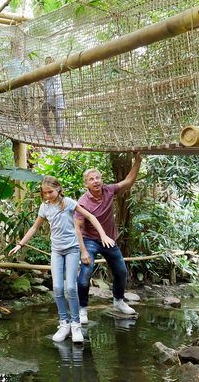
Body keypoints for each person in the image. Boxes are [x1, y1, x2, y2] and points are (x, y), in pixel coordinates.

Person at [11, 176, 114, 343]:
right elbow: (35, 227)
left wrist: (103, 235)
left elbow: (90, 217)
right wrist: (21, 244)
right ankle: (64, 323)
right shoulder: (44, 207)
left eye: (50, 192)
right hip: (56, 251)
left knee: (71, 288)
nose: (48, 195)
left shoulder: (68, 203)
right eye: (45, 193)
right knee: (58, 288)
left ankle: (76, 325)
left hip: (72, 250)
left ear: (58, 188)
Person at [74, 154, 142, 323]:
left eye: (98, 178)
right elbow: (77, 229)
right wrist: (83, 251)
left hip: (109, 240)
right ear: (86, 183)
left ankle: (118, 301)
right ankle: (82, 309)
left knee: (121, 271)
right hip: (89, 240)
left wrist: (138, 162)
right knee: (85, 275)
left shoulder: (109, 190)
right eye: (91, 179)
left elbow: (128, 182)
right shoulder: (83, 202)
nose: (96, 181)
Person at [40, 56, 66, 138]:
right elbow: (45, 89)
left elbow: (43, 76)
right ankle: (49, 134)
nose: (47, 63)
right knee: (43, 114)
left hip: (57, 97)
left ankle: (58, 137)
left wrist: (37, 75)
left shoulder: (55, 70)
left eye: (49, 61)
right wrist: (39, 83)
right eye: (46, 62)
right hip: (49, 98)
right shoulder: (47, 74)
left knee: (58, 117)